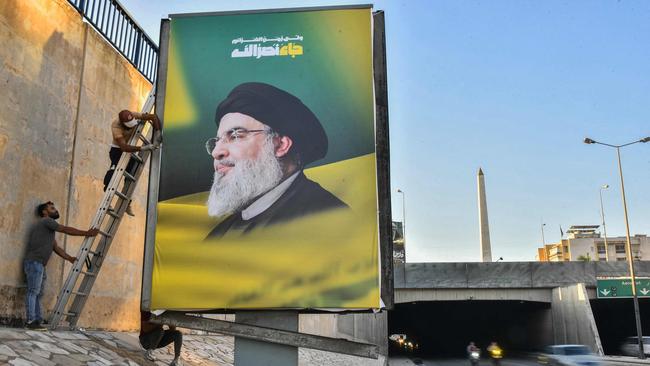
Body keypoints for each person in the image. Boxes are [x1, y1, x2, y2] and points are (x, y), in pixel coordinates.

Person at [204, 82, 348, 239]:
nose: (216, 152)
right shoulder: (219, 234)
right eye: (217, 141)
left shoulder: (329, 219)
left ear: (280, 145)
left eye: (236, 135)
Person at [24, 201, 99, 330]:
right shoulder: (46, 221)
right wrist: (87, 233)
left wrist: (69, 258)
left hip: (39, 265)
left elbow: (56, 248)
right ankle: (31, 321)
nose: (55, 210)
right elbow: (65, 229)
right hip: (34, 263)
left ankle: (36, 320)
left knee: (38, 293)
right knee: (33, 292)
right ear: (44, 212)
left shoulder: (47, 229)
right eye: (52, 208)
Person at [103, 109, 161, 216]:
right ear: (122, 123)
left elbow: (153, 117)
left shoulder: (132, 115)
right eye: (129, 125)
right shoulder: (116, 127)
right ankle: (107, 201)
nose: (131, 126)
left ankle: (126, 203)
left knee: (130, 175)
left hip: (129, 149)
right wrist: (144, 148)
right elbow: (124, 147)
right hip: (118, 150)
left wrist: (158, 132)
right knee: (113, 173)